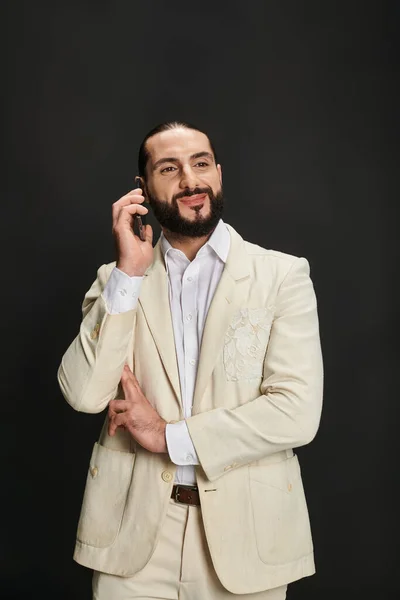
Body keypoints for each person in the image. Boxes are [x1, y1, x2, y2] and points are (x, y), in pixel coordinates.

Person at [58, 121, 324, 600]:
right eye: (169, 168)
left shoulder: (282, 276)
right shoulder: (117, 280)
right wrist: (129, 273)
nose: (190, 180)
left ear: (218, 173)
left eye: (201, 163)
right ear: (142, 189)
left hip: (247, 537)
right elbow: (83, 394)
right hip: (133, 540)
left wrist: (168, 436)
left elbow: (297, 413)